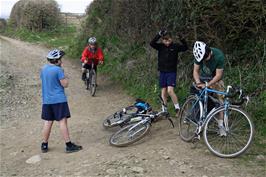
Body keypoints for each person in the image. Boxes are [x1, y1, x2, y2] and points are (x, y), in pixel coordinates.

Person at [40, 49, 82, 153]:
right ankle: (68, 145)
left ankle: (44, 145)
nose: (61, 61)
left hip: (47, 100)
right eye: (60, 59)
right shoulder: (58, 70)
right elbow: (65, 84)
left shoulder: (43, 69)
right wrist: (65, 75)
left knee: (48, 122)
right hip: (59, 100)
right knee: (62, 121)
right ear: (56, 60)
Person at [150, 30, 188, 115]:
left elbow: (185, 47)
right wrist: (159, 35)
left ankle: (177, 108)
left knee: (170, 91)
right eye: (165, 40)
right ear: (162, 40)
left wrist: (182, 39)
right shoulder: (160, 46)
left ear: (172, 39)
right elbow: (151, 43)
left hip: (171, 72)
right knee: (163, 91)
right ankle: (164, 110)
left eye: (169, 40)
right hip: (162, 72)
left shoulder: (175, 46)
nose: (167, 42)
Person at [192, 41, 226, 136]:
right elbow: (195, 71)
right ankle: (198, 120)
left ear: (209, 51)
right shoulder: (199, 55)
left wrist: (209, 84)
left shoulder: (219, 55)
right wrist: (198, 82)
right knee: (199, 97)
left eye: (206, 58)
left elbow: (219, 75)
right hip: (202, 78)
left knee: (220, 101)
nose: (205, 60)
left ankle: (221, 125)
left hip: (215, 79)